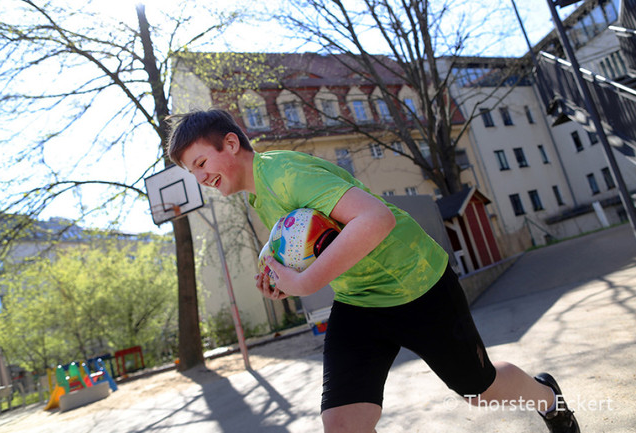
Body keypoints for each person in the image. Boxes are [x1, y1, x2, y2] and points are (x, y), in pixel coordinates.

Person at [167, 108, 580, 433]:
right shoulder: (259, 196)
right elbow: (317, 241)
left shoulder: (286, 174)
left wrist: (306, 282)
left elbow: (376, 220)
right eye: (193, 171)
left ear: (231, 143)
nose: (201, 177)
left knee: (479, 390)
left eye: (202, 162)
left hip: (417, 285)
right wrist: (282, 276)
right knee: (342, 424)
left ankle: (549, 399)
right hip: (358, 301)